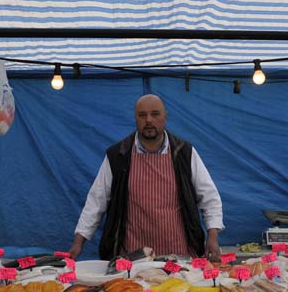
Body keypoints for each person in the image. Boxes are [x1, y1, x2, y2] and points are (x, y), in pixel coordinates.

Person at [69, 94, 224, 261]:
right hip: (131, 257)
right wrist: (78, 242)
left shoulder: (184, 153)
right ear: (135, 119)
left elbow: (209, 197)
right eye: (142, 115)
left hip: (179, 255)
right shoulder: (118, 155)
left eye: (155, 114)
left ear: (165, 116)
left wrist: (213, 236)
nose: (148, 120)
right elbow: (96, 201)